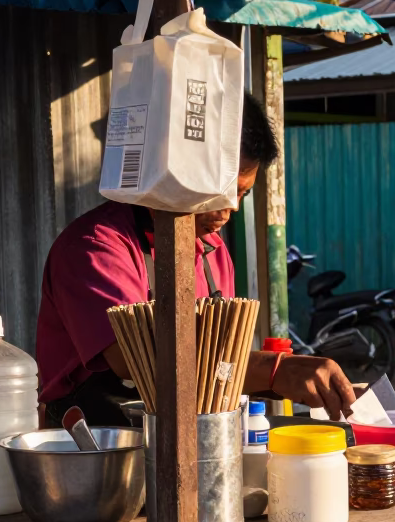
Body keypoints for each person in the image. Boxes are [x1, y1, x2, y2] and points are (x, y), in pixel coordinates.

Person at [36, 93, 357, 426]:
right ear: (177, 170)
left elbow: (225, 363)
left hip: (196, 437)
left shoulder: (212, 252)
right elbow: (136, 360)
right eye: (221, 189)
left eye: (242, 192)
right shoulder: (95, 247)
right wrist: (274, 371)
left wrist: (273, 374)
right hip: (101, 448)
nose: (231, 207)